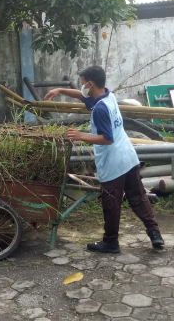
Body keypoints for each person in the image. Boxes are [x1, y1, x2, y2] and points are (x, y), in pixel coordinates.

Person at [44, 65, 164, 253]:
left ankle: (110, 242)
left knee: (111, 203)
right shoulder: (109, 96)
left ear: (91, 84)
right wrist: (60, 90)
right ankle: (155, 233)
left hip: (113, 163)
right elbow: (82, 95)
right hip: (128, 157)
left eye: (83, 83)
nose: (82, 87)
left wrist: (80, 136)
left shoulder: (99, 109)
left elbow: (107, 138)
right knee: (138, 197)